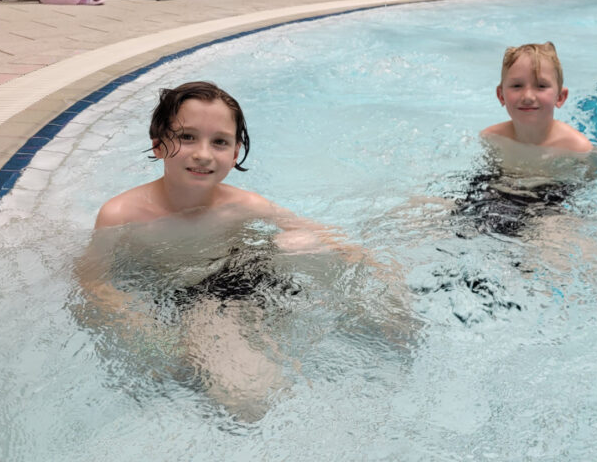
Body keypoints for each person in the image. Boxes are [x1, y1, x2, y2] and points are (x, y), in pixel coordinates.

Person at [80, 81, 397, 421]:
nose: (203, 154)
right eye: (187, 137)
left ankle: (369, 316)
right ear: (158, 144)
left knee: (302, 242)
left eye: (219, 142)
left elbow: (327, 237)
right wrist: (146, 332)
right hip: (192, 297)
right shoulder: (121, 215)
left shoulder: (244, 205)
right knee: (251, 400)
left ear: (234, 154)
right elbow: (93, 281)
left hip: (252, 278)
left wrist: (379, 272)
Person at [481, 42, 593, 154]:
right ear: (501, 96)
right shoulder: (492, 139)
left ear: (560, 97)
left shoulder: (578, 149)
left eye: (541, 86)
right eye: (517, 86)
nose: (528, 97)